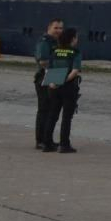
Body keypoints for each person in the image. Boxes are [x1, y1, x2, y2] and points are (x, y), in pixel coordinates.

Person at [42, 27, 82, 153]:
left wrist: (53, 82)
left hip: (53, 86)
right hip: (69, 87)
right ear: (72, 39)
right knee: (66, 117)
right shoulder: (75, 52)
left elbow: (48, 68)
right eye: (76, 37)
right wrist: (64, 81)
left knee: (52, 115)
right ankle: (64, 144)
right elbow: (75, 71)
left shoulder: (55, 50)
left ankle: (47, 143)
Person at [33, 18, 64, 149]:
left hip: (56, 73)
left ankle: (48, 139)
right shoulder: (44, 42)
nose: (58, 31)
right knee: (45, 109)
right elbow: (43, 61)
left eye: (60, 28)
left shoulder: (58, 42)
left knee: (53, 110)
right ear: (49, 28)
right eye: (55, 28)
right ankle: (41, 140)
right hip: (46, 75)